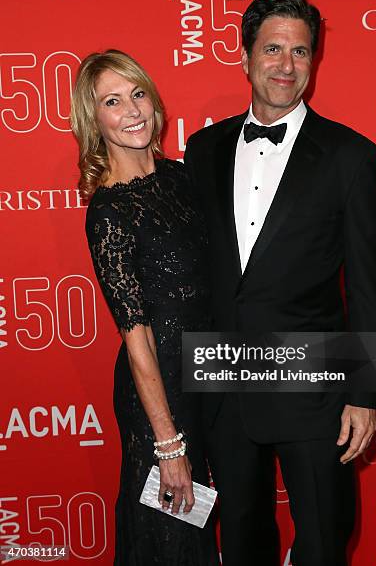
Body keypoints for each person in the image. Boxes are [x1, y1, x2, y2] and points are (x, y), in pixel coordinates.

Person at [184, 0, 376, 566]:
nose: (286, 65)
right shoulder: (202, 150)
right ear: (245, 55)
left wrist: (364, 394)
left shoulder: (352, 157)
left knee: (324, 541)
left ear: (314, 62)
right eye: (272, 48)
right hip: (223, 385)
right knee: (242, 542)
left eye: (300, 51)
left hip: (316, 389)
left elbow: (371, 285)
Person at [70, 49, 218, 565]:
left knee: (199, 530)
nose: (132, 110)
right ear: (95, 121)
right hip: (159, 397)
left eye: (137, 94)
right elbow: (137, 337)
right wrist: (168, 443)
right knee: (169, 534)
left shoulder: (179, 177)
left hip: (208, 375)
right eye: (113, 101)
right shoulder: (109, 211)